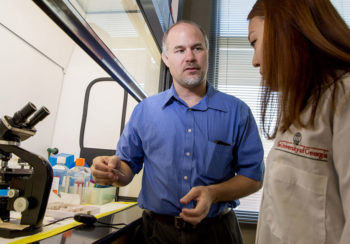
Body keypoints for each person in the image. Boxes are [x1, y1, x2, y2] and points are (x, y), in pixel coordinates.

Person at [91, 20, 265, 244]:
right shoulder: (145, 111)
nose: (190, 57)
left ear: (207, 53)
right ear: (166, 58)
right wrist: (112, 172)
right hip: (156, 234)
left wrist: (213, 193)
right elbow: (126, 169)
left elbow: (253, 178)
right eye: (180, 50)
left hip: (217, 234)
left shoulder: (237, 112)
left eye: (197, 48)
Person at [247, 0, 350, 243]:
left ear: (285, 30)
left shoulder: (343, 97)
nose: (254, 61)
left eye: (254, 42)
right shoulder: (299, 103)